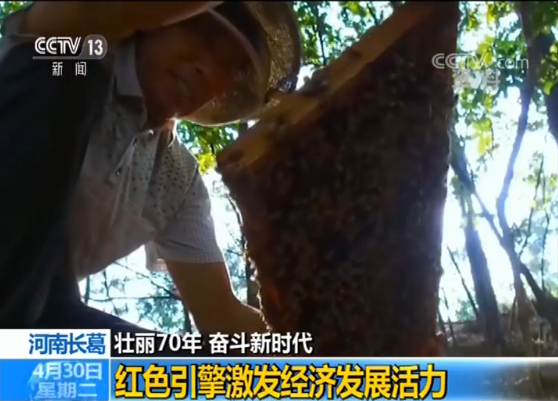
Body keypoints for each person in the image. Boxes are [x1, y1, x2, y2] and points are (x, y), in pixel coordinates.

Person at [0, 2, 302, 336]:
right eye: (202, 35)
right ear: (162, 19)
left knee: (179, 362)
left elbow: (222, 318)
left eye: (229, 66)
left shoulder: (178, 179)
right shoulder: (76, 46)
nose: (206, 68)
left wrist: (311, 332)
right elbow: (85, 14)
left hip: (28, 328)